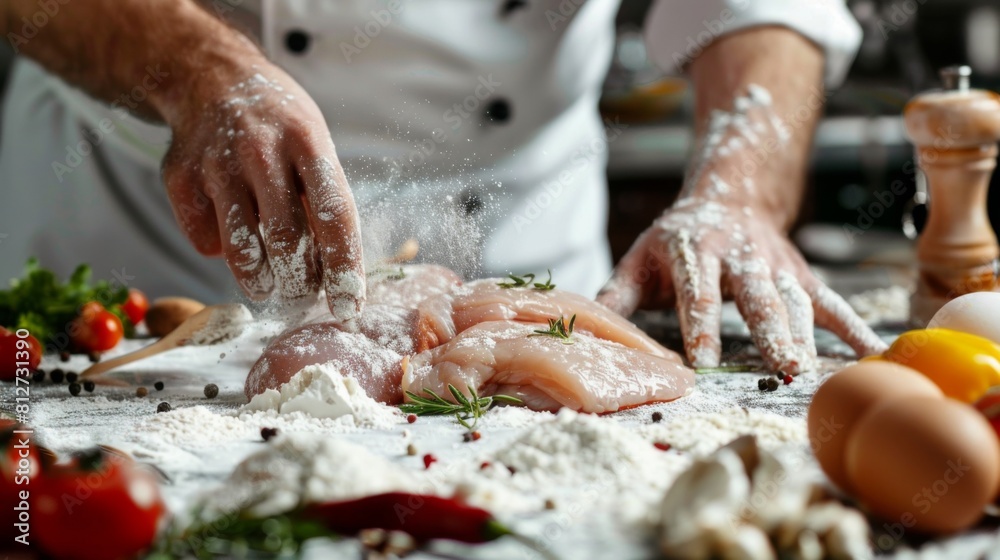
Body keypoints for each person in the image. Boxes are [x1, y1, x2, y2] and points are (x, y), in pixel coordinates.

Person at [0, 0, 884, 373]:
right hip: (138, 242)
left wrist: (737, 191)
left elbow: (763, 11)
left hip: (517, 257)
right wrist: (198, 69)